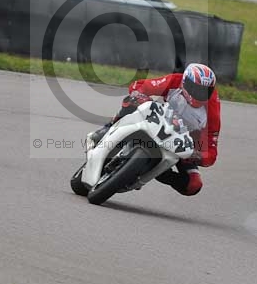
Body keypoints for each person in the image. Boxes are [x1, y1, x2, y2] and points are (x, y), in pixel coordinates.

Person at [88, 63, 221, 196]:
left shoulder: (212, 110)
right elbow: (139, 85)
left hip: (181, 141)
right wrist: (141, 97)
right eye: (196, 88)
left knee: (194, 185)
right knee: (131, 101)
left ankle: (160, 171)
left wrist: (197, 156)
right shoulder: (175, 80)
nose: (200, 94)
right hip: (160, 118)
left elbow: (212, 151)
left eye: (205, 91)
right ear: (185, 82)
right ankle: (108, 127)